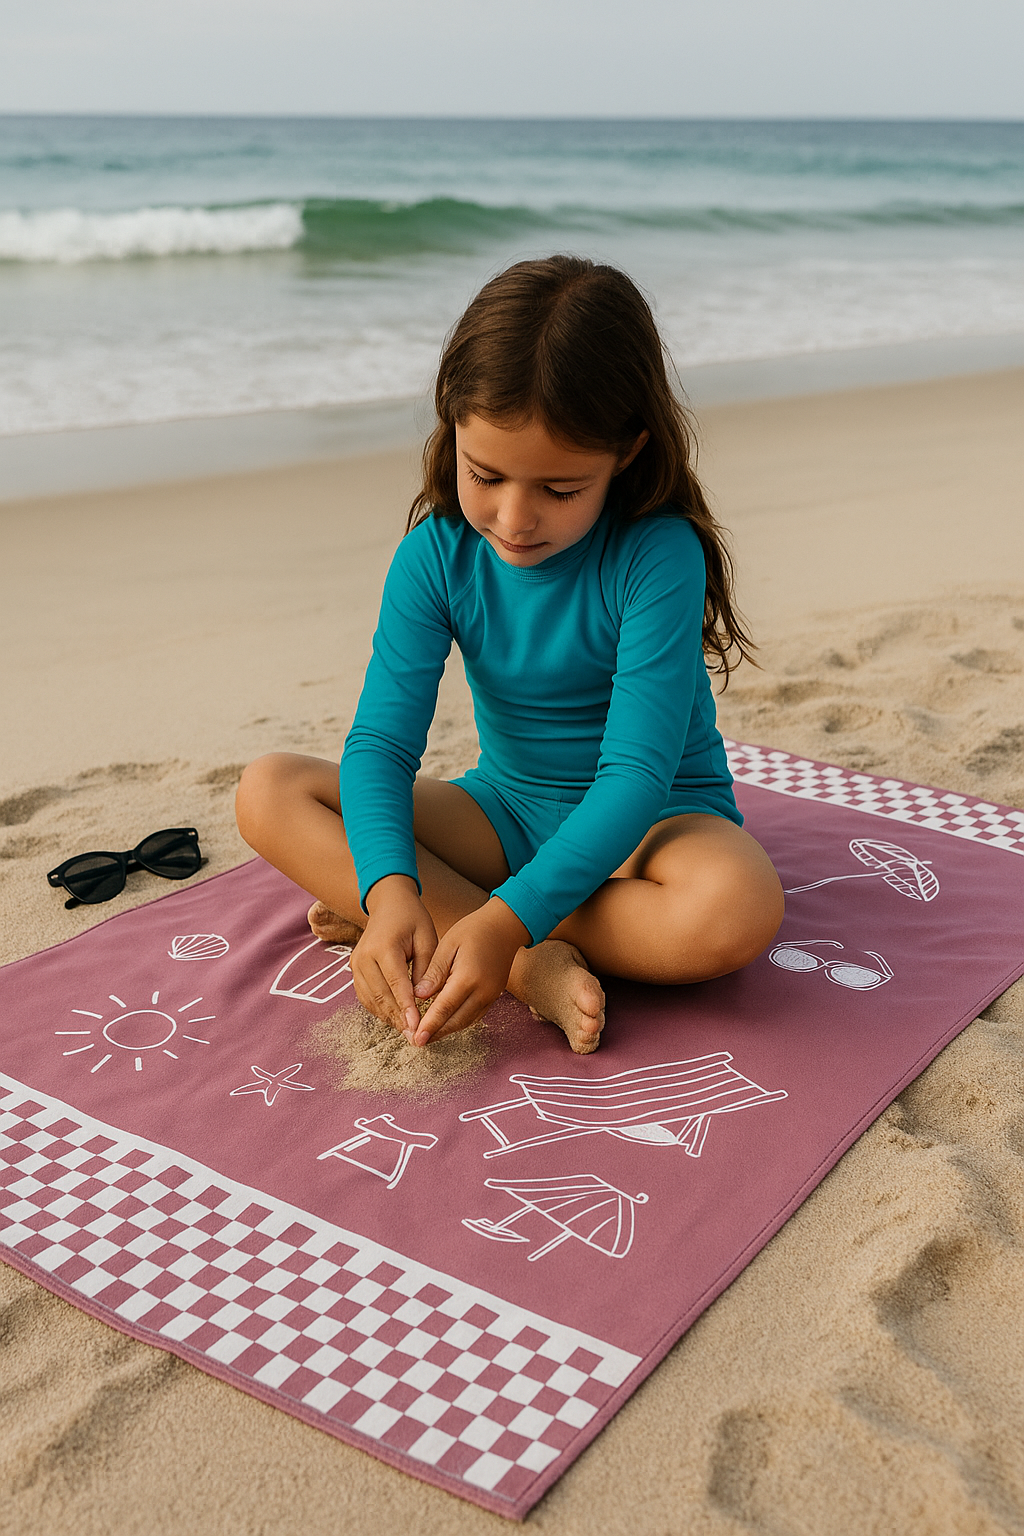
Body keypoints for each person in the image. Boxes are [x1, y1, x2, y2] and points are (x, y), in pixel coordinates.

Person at [235, 255, 784, 1056]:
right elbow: (381, 747)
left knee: (736, 909)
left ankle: (472, 920)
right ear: (452, 424)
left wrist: (504, 915)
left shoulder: (657, 553)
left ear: (627, 452)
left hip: (652, 827)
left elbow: (636, 776)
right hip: (504, 812)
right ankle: (524, 967)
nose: (515, 518)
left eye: (560, 490)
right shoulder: (434, 556)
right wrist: (389, 892)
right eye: (485, 475)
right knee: (269, 790)